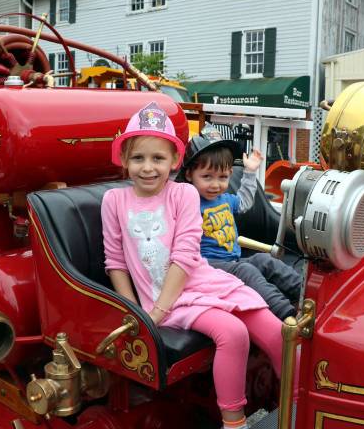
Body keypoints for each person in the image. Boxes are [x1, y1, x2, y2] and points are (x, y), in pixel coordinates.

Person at [102, 102, 283, 429]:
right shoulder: (113, 201)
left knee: (277, 331)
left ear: (173, 161)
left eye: (157, 158)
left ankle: (297, 404)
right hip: (163, 300)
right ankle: (234, 422)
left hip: (200, 281)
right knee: (233, 333)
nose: (148, 168)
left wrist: (156, 311)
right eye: (138, 158)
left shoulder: (183, 194)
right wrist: (138, 312)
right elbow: (115, 260)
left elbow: (185, 256)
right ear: (125, 161)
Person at [176, 124, 302, 320]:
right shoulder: (188, 201)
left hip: (231, 261)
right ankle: (287, 314)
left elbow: (244, 201)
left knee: (264, 260)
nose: (215, 184)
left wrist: (250, 172)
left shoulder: (225, 199)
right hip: (207, 267)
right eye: (207, 177)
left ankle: (306, 295)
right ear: (189, 175)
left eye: (223, 177)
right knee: (247, 270)